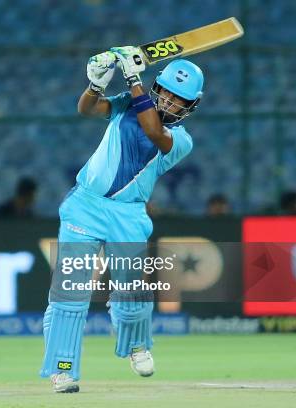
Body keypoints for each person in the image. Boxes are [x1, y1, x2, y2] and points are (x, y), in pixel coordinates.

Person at [40, 47, 204, 393]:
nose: (170, 102)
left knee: (132, 290)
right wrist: (95, 85)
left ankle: (136, 344)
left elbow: (154, 133)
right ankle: (63, 369)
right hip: (85, 205)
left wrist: (132, 78)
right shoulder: (129, 103)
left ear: (191, 107)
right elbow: (86, 109)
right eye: (167, 93)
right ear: (157, 87)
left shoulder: (181, 140)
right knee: (70, 291)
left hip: (128, 214)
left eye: (179, 100)